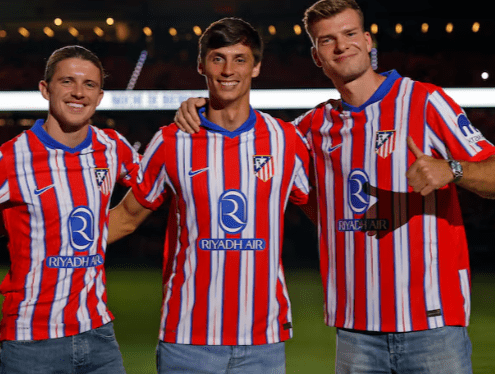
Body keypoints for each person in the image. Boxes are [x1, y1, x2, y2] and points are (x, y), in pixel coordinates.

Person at [174, 1, 495, 373]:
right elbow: (245, 139)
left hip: (432, 324)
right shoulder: (312, 127)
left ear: (368, 39)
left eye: (350, 34)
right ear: (316, 56)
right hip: (356, 332)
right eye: (328, 40)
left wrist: (452, 169)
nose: (342, 46)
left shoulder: (424, 101)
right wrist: (204, 104)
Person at [108, 18, 311, 373]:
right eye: (217, 58)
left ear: (257, 66)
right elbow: (125, 218)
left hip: (262, 340)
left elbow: (326, 211)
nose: (228, 70)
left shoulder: (286, 140)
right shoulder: (172, 140)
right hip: (188, 341)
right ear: (201, 65)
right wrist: (49, 244)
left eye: (240, 58)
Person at [0, 45, 140, 374]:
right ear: (45, 89)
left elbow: (158, 186)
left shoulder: (113, 147)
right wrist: (17, 223)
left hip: (99, 334)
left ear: (100, 95)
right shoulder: (7, 159)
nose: (78, 92)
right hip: (31, 341)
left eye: (89, 84)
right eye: (67, 82)